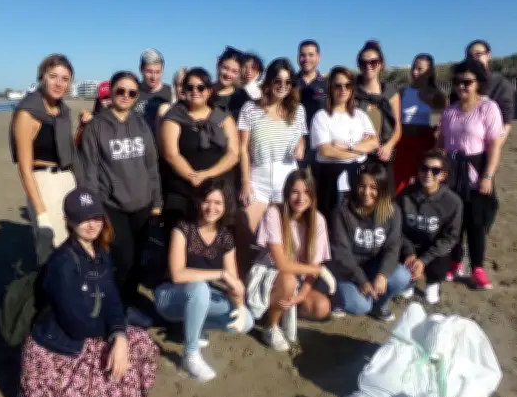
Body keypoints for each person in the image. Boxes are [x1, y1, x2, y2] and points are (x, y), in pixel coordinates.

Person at [19, 187, 159, 397]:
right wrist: (114, 337)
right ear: (69, 221)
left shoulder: (100, 253)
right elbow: (77, 325)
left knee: (142, 346)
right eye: (83, 218)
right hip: (62, 349)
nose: (91, 224)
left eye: (96, 217)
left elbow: (113, 299)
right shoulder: (62, 264)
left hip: (95, 332)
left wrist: (119, 334)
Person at [80, 71, 163, 324]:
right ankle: (118, 310)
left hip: (143, 204)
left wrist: (157, 201)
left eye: (132, 93)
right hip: (112, 205)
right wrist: (94, 209)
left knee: (138, 260)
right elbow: (89, 171)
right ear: (111, 92)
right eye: (120, 91)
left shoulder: (141, 124)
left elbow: (152, 165)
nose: (125, 96)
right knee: (122, 259)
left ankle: (128, 303)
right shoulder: (96, 126)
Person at [154, 180, 253, 381]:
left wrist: (240, 305)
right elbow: (177, 274)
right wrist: (220, 275)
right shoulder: (183, 229)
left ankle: (196, 329)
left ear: (226, 207)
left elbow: (233, 281)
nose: (212, 208)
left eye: (218, 203)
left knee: (247, 322)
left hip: (201, 297)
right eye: (207, 201)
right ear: (198, 202)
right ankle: (190, 354)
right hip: (170, 297)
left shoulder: (225, 237)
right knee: (199, 289)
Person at [246, 169, 336, 352]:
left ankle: (279, 310)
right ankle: (270, 327)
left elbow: (314, 266)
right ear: (286, 193)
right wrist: (318, 271)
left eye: (306, 192)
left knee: (322, 307)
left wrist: (301, 296)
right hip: (269, 272)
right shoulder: (274, 213)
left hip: (300, 278)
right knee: (288, 280)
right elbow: (281, 263)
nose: (301, 198)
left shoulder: (318, 220)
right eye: (295, 192)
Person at [437, 58, 505, 290]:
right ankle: (455, 262)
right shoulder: (450, 111)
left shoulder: (488, 108)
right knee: (454, 221)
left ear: (478, 83)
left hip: (476, 171)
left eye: (467, 82)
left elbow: (494, 146)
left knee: (475, 222)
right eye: (457, 82)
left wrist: (488, 175)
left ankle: (477, 268)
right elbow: (442, 143)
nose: (461, 87)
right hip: (451, 170)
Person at [9, 54, 80, 263]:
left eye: (65, 79)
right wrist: (40, 211)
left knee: (73, 244)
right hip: (45, 183)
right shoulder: (28, 113)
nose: (59, 83)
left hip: (67, 178)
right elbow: (24, 167)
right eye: (53, 76)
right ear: (42, 77)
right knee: (52, 252)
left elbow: (65, 149)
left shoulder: (62, 111)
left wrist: (83, 129)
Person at [328, 163, 412, 321]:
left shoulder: (392, 211)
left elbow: (393, 247)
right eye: (362, 186)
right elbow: (341, 253)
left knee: (402, 276)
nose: (367, 192)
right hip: (347, 269)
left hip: (373, 265)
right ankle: (334, 297)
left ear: (382, 188)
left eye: (373, 187)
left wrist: (382, 274)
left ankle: (379, 306)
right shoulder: (342, 211)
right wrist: (361, 280)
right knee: (360, 306)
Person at [159, 67, 240, 227]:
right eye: (190, 87)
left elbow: (233, 154)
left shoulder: (224, 118)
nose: (195, 91)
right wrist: (194, 178)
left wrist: (207, 175)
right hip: (185, 191)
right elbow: (171, 155)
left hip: (219, 191)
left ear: (209, 91)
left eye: (201, 87)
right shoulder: (173, 117)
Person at [238, 58, 307, 233]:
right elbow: (243, 149)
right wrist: (245, 182)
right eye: (278, 80)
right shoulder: (250, 108)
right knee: (244, 229)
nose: (283, 85)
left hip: (287, 178)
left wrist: (301, 146)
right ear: (269, 82)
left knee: (285, 236)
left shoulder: (298, 110)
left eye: (288, 82)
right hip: (258, 179)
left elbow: (300, 138)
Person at [310, 66, 379, 220]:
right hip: (331, 181)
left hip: (357, 180)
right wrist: (361, 150)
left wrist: (349, 146)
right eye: (338, 85)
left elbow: (374, 142)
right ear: (330, 88)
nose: (343, 89)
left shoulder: (360, 115)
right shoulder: (321, 117)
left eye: (347, 85)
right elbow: (326, 151)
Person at [396, 149, 463, 304]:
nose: (428, 174)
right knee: (392, 250)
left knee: (443, 255)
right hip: (408, 246)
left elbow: (451, 237)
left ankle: (433, 283)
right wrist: (409, 253)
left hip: (433, 248)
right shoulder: (404, 196)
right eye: (424, 168)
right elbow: (395, 228)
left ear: (443, 176)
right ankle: (407, 280)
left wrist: (424, 260)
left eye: (435, 170)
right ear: (418, 172)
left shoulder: (453, 202)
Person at [392, 53, 448, 195]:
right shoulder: (403, 92)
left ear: (429, 72)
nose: (415, 72)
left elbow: (436, 124)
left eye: (420, 69)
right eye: (413, 68)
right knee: (399, 185)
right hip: (403, 144)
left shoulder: (436, 96)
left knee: (422, 182)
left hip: (424, 145)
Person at [450, 40, 515, 139]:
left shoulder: (501, 84)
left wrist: (494, 148)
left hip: (488, 141)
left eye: (478, 54)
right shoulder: (460, 83)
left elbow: (506, 121)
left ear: (488, 55)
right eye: (469, 56)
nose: (474, 59)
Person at [355, 40, 402, 167]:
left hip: (382, 153)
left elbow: (397, 128)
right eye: (363, 63)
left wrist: (389, 146)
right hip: (357, 152)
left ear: (380, 64)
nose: (368, 66)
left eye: (373, 62)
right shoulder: (351, 92)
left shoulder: (391, 93)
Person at [296, 39, 327, 168]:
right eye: (303, 55)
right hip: (294, 145)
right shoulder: (289, 83)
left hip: (321, 145)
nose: (306, 59)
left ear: (318, 57)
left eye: (311, 55)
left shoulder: (328, 85)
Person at [135, 48, 173, 129]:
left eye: (157, 72)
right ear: (141, 69)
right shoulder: (131, 92)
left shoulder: (171, 93)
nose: (154, 77)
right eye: (149, 72)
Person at [210, 47, 249, 120]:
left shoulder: (242, 97)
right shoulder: (203, 91)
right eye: (225, 68)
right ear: (218, 65)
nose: (228, 74)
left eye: (234, 71)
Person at [74, 80, 111, 146]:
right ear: (99, 100)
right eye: (105, 98)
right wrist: (82, 126)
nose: (110, 102)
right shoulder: (91, 119)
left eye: (112, 98)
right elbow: (77, 144)